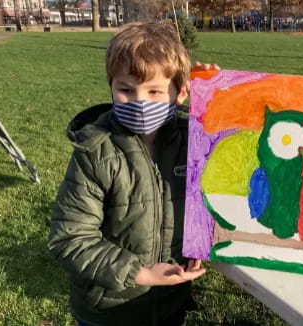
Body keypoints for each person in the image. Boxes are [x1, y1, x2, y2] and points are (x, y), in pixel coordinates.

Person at [48, 21, 218, 326]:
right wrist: (139, 274)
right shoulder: (96, 151)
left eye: (155, 91)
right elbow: (70, 238)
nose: (140, 102)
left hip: (170, 303)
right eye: (126, 90)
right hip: (110, 312)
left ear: (180, 93)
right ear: (111, 86)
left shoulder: (190, 140)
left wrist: (213, 94)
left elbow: (234, 152)